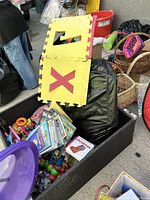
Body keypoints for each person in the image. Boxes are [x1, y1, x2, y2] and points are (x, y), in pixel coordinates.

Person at [0, 0, 38, 89]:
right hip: (15, 16)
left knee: (17, 58)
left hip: (4, 25)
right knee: (24, 52)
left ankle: (30, 83)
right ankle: (29, 78)